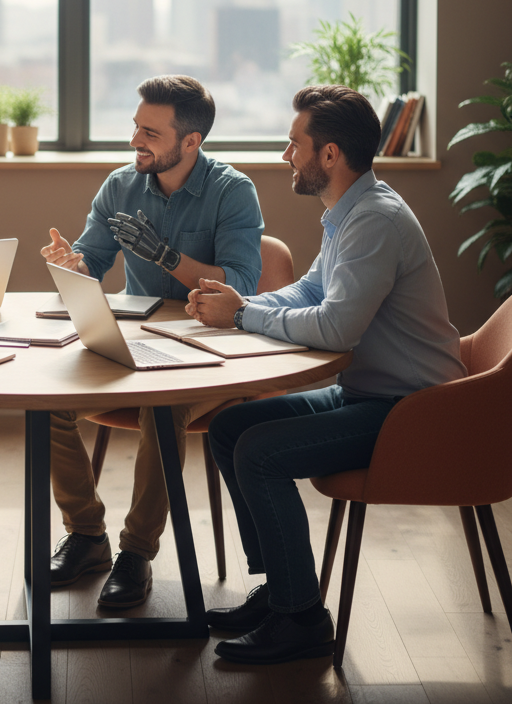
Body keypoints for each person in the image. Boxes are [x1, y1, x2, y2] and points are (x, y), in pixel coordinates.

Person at [188, 85, 465, 665]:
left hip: (412, 409)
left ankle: (303, 620)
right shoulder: (351, 212)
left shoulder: (374, 221)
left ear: (330, 155)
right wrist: (243, 300)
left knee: (259, 452)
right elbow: (313, 289)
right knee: (231, 428)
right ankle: (281, 592)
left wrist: (242, 314)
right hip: (370, 391)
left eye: (295, 144)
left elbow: (336, 328)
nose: (286, 155)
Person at [40, 74, 263, 608]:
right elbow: (92, 262)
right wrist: (73, 266)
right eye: (136, 127)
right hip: (135, 345)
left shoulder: (233, 192)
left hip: (213, 353)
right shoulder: (120, 186)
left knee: (161, 414)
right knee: (45, 405)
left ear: (191, 142)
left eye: (151, 133)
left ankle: (136, 553)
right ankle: (88, 535)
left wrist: (168, 258)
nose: (136, 141)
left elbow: (243, 287)